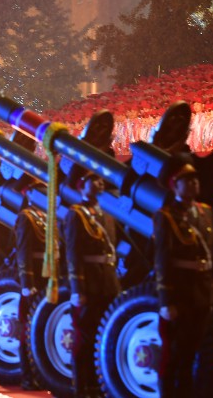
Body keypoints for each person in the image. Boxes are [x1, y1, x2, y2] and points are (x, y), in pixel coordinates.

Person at [154, 161, 213, 398]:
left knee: (193, 354)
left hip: (202, 293)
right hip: (181, 294)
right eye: (187, 180)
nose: (194, 183)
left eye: (195, 179)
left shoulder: (205, 212)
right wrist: (166, 300)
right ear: (174, 185)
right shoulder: (166, 216)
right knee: (174, 355)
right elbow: (162, 260)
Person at [65, 169, 120, 397]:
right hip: (88, 282)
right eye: (93, 180)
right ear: (81, 184)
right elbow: (73, 252)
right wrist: (78, 288)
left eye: (99, 179)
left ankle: (97, 385)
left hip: (107, 280)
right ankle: (81, 386)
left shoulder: (106, 214)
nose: (99, 182)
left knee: (102, 336)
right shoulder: (76, 214)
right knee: (84, 337)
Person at [14, 178, 48, 390]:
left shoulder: (45, 216)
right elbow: (23, 251)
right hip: (34, 276)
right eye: (40, 191)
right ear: (30, 194)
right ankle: (28, 375)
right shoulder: (26, 217)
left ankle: (40, 373)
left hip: (45, 276)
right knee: (27, 329)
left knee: (41, 327)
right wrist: (27, 281)